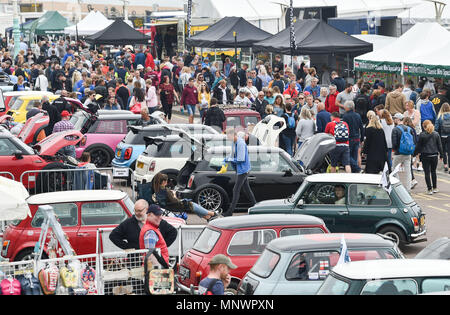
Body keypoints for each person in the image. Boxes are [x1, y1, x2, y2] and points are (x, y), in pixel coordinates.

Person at [151, 173, 219, 221]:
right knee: (191, 204)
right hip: (173, 206)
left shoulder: (157, 189)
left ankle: (208, 217)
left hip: (167, 206)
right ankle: (212, 214)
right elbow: (175, 201)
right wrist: (174, 195)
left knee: (192, 206)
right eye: (166, 180)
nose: (167, 182)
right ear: (163, 182)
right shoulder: (166, 191)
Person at [222, 128, 257, 217]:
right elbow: (232, 155)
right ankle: (256, 207)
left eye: (228, 136)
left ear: (233, 135)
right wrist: (226, 160)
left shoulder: (240, 143)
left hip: (243, 170)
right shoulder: (234, 142)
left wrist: (228, 159)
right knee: (247, 190)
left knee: (236, 190)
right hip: (241, 169)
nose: (227, 138)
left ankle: (230, 212)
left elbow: (240, 159)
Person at [414, 120, 443, 195]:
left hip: (425, 155)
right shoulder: (436, 134)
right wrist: (442, 155)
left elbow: (418, 146)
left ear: (423, 126)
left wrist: (414, 154)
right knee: (433, 171)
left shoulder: (422, 135)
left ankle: (429, 189)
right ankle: (435, 188)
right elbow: (439, 145)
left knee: (427, 172)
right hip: (434, 155)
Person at [391, 114, 414, 193]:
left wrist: (394, 150)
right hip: (408, 153)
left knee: (394, 170)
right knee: (408, 171)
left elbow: (394, 143)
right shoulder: (409, 129)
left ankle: (398, 188)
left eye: (394, 118)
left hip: (398, 153)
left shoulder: (395, 129)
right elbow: (413, 141)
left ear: (398, 119)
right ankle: (408, 189)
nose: (393, 120)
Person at [342, 101, 365, 173]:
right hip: (357, 137)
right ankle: (355, 171)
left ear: (347, 107)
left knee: (348, 155)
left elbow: (344, 128)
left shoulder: (345, 116)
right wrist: (362, 138)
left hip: (349, 138)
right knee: (354, 155)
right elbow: (361, 127)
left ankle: (356, 168)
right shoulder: (357, 115)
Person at [435, 103, 450, 173]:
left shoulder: (440, 116)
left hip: (442, 136)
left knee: (443, 151)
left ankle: (445, 165)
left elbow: (436, 128)